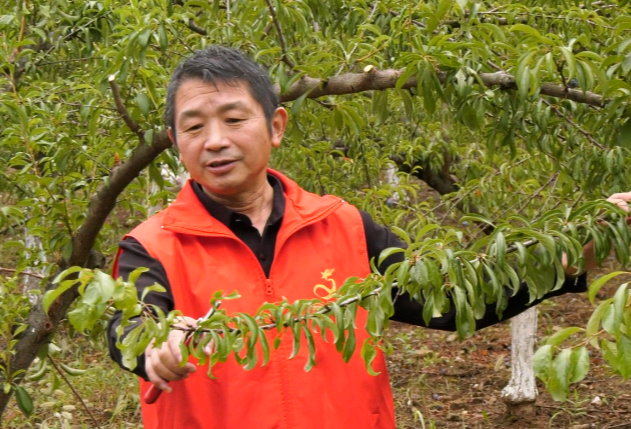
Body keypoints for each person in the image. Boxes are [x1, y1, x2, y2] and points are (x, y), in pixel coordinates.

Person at [107, 46, 631, 429]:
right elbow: (131, 323)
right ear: (176, 143)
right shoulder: (151, 246)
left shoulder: (344, 225)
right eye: (194, 127)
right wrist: (155, 342)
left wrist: (570, 252)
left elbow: (451, 300)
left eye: (234, 118)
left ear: (275, 126)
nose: (215, 140)